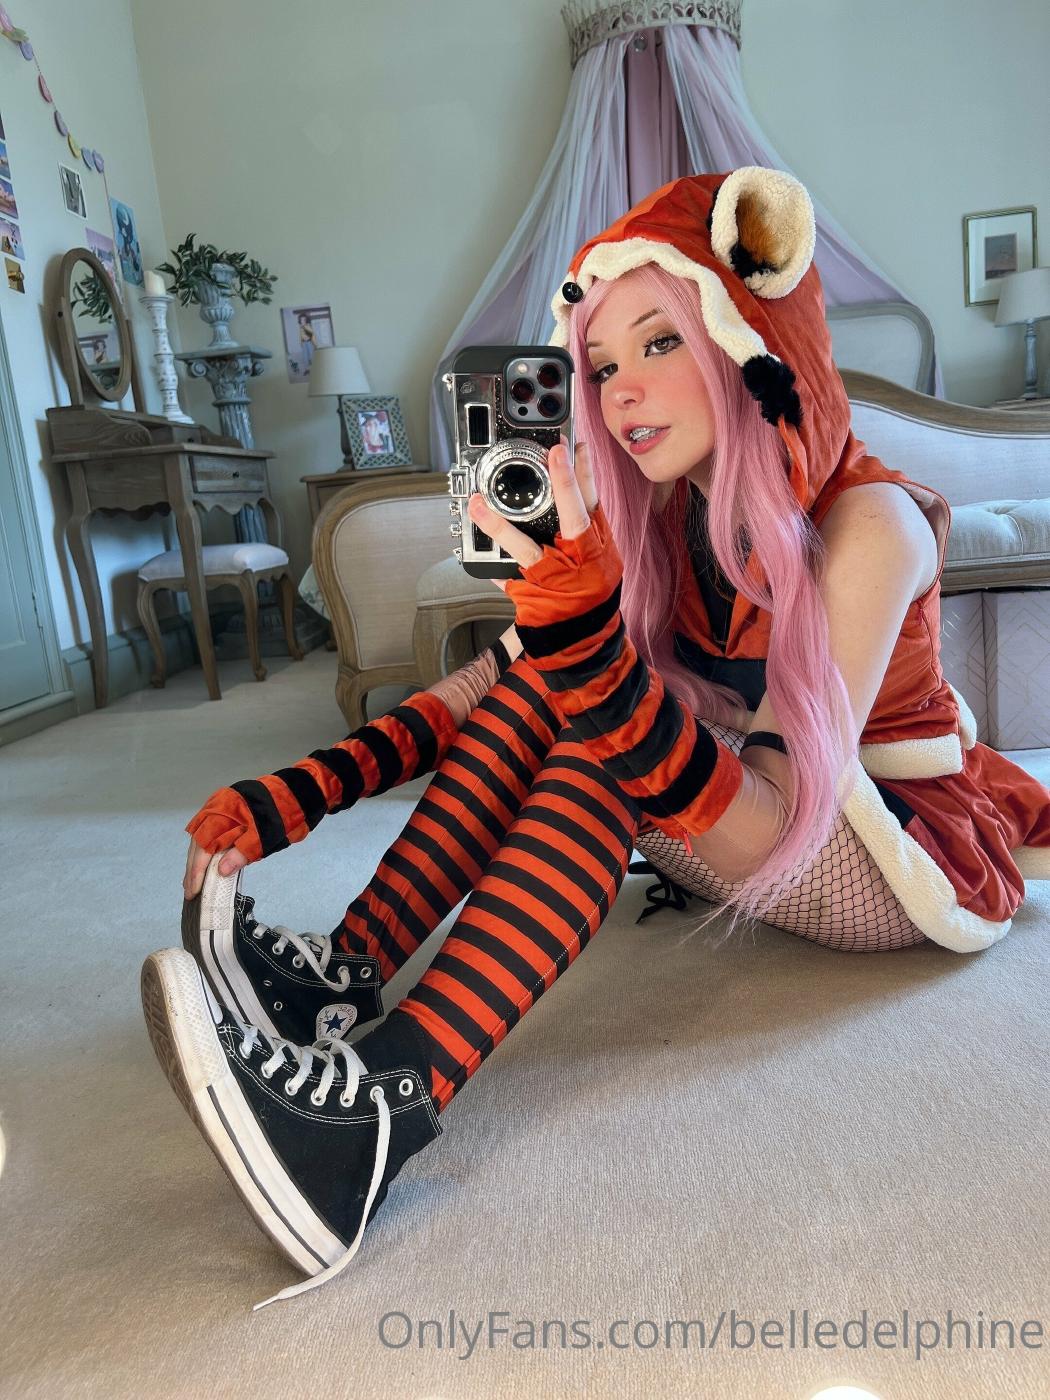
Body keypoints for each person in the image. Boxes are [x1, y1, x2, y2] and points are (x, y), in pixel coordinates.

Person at [141, 166, 1050, 1310]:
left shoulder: (871, 524)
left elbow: (778, 818)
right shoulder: (669, 515)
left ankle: (378, 1109)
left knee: (602, 727)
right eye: (604, 364)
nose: (622, 392)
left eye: (661, 341)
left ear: (752, 343)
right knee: (563, 690)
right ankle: (347, 973)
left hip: (882, 842)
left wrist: (591, 655)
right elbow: (497, 681)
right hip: (745, 805)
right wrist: (305, 789)